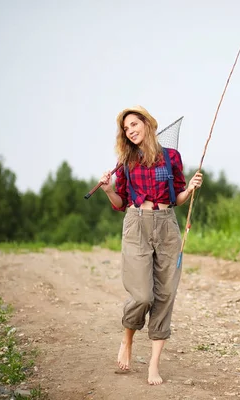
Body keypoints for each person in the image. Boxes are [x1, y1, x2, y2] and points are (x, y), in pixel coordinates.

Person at [98, 105, 203, 385]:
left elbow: (176, 197)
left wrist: (189, 188)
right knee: (143, 295)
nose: (130, 131)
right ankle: (127, 339)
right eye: (125, 128)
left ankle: (153, 365)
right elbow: (120, 203)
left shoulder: (171, 157)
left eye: (134, 124)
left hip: (167, 224)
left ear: (147, 123)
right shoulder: (126, 162)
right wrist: (109, 189)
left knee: (166, 294)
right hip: (136, 224)